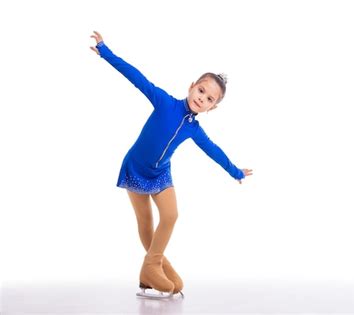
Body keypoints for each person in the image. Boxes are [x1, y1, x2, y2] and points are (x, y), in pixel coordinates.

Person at [90, 31, 252, 297]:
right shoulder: (164, 102)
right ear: (191, 86)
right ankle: (155, 267)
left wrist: (234, 171)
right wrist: (106, 52)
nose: (202, 98)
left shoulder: (194, 130)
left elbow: (213, 150)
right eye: (201, 90)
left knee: (171, 215)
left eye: (209, 99)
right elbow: (136, 77)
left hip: (161, 173)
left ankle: (152, 266)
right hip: (136, 168)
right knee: (146, 222)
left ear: (212, 108)